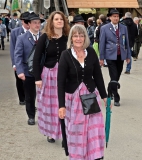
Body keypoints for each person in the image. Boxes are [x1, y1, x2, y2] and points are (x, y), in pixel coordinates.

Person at [58, 24, 108, 160]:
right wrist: (61, 106)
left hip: (91, 96)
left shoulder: (91, 52)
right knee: (76, 130)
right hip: (73, 99)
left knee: (95, 128)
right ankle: (77, 156)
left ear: (85, 37)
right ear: (71, 38)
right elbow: (60, 82)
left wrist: (104, 96)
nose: (78, 38)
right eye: (75, 36)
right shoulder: (65, 55)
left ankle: (95, 156)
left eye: (81, 35)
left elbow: (98, 76)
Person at [33, 11, 69, 143]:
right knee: (50, 105)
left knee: (65, 103)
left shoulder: (68, 37)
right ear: (51, 22)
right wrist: (37, 78)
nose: (59, 21)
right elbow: (36, 59)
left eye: (61, 19)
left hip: (66, 75)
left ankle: (65, 131)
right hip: (49, 75)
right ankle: (51, 132)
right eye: (56, 19)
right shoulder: (45, 37)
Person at [14, 12, 44, 125]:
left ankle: (44, 116)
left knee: (44, 95)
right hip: (28, 71)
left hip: (43, 71)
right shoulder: (22, 38)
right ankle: (31, 116)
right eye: (35, 23)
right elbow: (18, 55)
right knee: (30, 95)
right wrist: (20, 71)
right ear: (29, 24)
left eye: (39, 22)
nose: (37, 25)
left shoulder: (44, 37)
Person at [99, 9, 131, 107]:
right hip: (110, 56)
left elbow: (127, 43)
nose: (116, 18)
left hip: (120, 55)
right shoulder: (104, 28)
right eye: (114, 16)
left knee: (117, 76)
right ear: (110, 17)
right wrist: (101, 57)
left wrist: (128, 56)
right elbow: (102, 43)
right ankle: (116, 97)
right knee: (114, 76)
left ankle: (110, 90)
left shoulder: (123, 28)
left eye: (117, 16)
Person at [10, 12, 30, 106]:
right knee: (20, 81)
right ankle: (22, 99)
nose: (28, 24)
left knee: (29, 82)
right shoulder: (15, 32)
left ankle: (29, 99)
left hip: (30, 62)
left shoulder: (34, 31)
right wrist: (14, 63)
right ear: (22, 21)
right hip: (19, 61)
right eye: (26, 22)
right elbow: (12, 48)